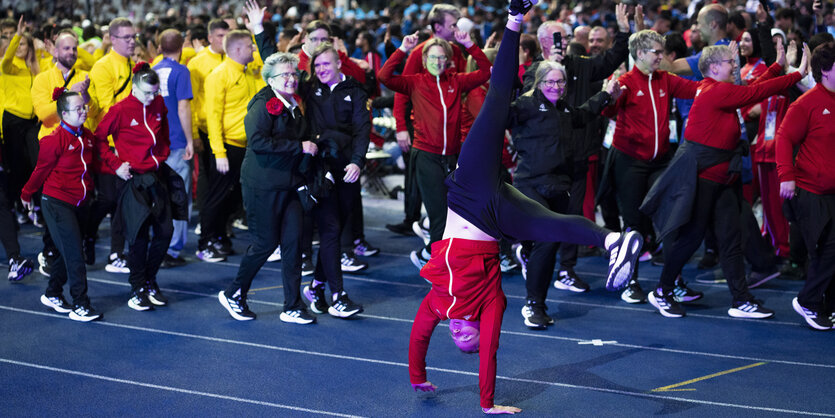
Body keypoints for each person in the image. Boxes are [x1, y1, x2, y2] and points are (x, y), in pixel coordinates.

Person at [408, 1, 644, 413]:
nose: (464, 334)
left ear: (454, 330)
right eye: (470, 336)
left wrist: (420, 378)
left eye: (459, 336)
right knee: (552, 224)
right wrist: (486, 404)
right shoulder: (484, 305)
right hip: (494, 216)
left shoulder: (441, 303)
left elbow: (423, 342)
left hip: (471, 194)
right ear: (474, 329)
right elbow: (482, 351)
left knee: (499, 102)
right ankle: (613, 241)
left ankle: (514, 18)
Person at [642, 44, 808, 319]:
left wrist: (779, 67)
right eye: (730, 61)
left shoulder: (716, 89)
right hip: (704, 179)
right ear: (713, 67)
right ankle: (663, 290)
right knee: (691, 237)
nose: (735, 65)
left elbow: (752, 86)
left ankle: (740, 299)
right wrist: (796, 74)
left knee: (731, 240)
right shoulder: (714, 90)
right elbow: (754, 92)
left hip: (723, 178)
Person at [511, 61, 623, 328]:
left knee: (549, 245)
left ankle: (528, 255)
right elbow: (498, 115)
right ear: (538, 83)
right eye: (550, 82)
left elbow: (583, 115)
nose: (556, 87)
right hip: (530, 185)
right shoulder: (525, 106)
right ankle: (533, 305)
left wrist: (606, 95)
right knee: (548, 241)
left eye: (560, 82)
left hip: (559, 187)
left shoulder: (562, 108)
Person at [378, 24, 492, 270]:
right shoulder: (415, 82)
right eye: (433, 57)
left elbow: (486, 71)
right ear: (424, 59)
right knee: (441, 216)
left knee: (453, 213)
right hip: (426, 156)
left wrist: (470, 45)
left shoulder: (456, 82)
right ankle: (435, 264)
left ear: (449, 61)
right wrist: (402, 50)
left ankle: (428, 251)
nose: (437, 61)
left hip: (451, 158)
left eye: (442, 57)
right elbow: (384, 77)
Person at [601, 29, 702, 305]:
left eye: (661, 51)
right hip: (629, 162)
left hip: (660, 161)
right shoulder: (625, 82)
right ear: (641, 54)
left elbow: (698, 90)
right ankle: (631, 280)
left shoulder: (665, 80)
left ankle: (673, 281)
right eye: (657, 52)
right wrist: (609, 96)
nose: (662, 56)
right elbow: (607, 112)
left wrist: (722, 81)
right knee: (634, 224)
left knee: (671, 221)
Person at [217, 52, 317, 325]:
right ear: (270, 79)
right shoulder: (263, 104)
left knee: (294, 244)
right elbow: (258, 142)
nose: (290, 78)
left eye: (293, 73)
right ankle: (234, 293)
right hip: (263, 185)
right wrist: (299, 147)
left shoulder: (293, 103)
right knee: (264, 244)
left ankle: (292, 305)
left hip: (290, 184)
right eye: (284, 74)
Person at [94, 63, 177, 311]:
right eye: (147, 93)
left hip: (156, 175)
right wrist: (115, 163)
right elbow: (98, 139)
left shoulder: (158, 104)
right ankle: (137, 286)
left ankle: (149, 280)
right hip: (131, 179)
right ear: (134, 89)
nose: (152, 98)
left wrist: (163, 154)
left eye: (155, 92)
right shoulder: (120, 110)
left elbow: (163, 136)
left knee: (165, 231)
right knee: (138, 237)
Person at [22, 89, 100, 322]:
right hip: (56, 203)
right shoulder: (54, 140)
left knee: (69, 251)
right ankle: (80, 304)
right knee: (75, 254)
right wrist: (26, 194)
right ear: (63, 114)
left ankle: (53, 292)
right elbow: (40, 172)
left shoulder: (85, 135)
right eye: (77, 109)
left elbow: (94, 163)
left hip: (80, 202)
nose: (83, 111)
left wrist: (117, 167)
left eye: (83, 107)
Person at [778, 41, 835, 330]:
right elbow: (784, 138)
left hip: (832, 191)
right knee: (827, 250)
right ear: (826, 71)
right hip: (810, 190)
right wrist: (785, 175)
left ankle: (827, 305)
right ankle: (809, 302)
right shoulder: (807, 103)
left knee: (829, 251)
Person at [197, 29, 264, 263]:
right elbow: (213, 117)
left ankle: (219, 236)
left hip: (246, 147)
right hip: (227, 146)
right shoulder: (219, 75)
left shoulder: (248, 74)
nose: (253, 50)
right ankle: (205, 242)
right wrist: (219, 153)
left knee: (233, 198)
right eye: (249, 46)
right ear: (236, 49)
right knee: (216, 197)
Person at [87, 17, 137, 275]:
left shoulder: (133, 64)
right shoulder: (103, 67)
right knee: (107, 199)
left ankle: (116, 253)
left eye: (133, 37)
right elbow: (108, 110)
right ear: (113, 39)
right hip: (108, 143)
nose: (132, 41)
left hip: (130, 143)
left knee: (122, 201)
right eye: (126, 37)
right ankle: (87, 232)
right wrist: (113, 145)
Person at [153, 29, 195, 268]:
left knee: (160, 197)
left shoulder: (152, 71)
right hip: (177, 141)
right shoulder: (181, 71)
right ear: (182, 47)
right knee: (179, 197)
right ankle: (173, 248)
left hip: (156, 143)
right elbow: (183, 108)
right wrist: (190, 140)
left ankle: (159, 242)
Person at [2, 17, 41, 227]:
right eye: (17, 44)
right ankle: (19, 206)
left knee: (33, 165)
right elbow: (8, 57)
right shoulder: (8, 66)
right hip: (12, 122)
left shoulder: (34, 68)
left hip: (31, 123)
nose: (19, 48)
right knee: (17, 168)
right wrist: (17, 35)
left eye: (24, 43)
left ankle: (32, 204)